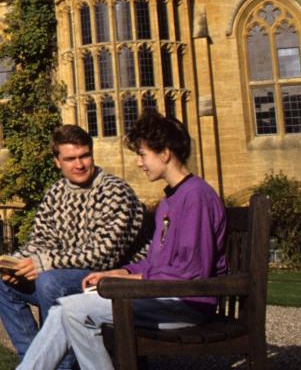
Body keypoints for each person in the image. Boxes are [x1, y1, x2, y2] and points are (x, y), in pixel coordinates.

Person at [18, 113, 228, 369]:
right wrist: (122, 270)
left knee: (73, 310)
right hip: (163, 295)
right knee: (64, 308)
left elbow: (190, 272)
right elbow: (155, 261)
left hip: (185, 302)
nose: (139, 163)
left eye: (143, 154)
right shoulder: (169, 200)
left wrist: (127, 280)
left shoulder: (196, 197)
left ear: (165, 153)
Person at [0, 125, 145, 369]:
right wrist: (16, 263)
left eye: (84, 156)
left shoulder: (115, 191)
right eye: (70, 159)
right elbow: (41, 239)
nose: (79, 164)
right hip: (71, 275)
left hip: (109, 281)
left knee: (51, 282)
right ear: (57, 162)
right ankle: (33, 359)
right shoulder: (56, 192)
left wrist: (43, 263)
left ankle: (62, 365)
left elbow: (104, 256)